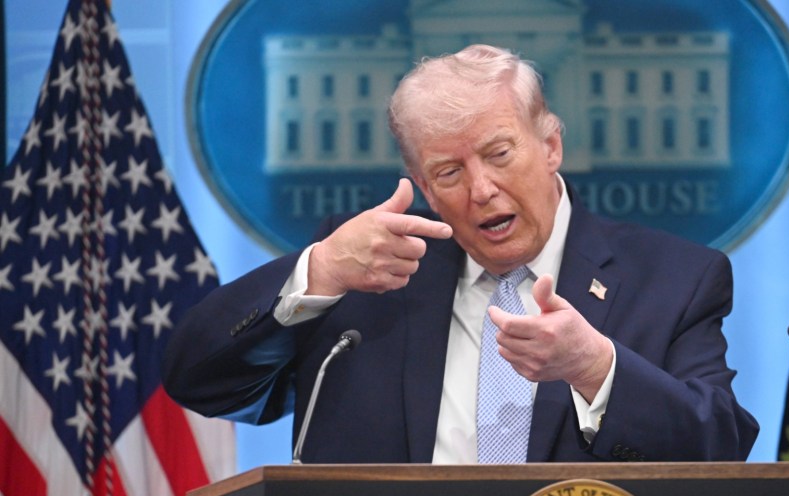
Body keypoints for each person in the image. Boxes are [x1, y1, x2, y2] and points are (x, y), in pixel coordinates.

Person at [163, 44, 758, 464]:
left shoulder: (675, 279)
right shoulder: (368, 271)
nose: (481, 190)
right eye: (449, 172)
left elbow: (721, 448)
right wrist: (318, 270)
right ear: (423, 186)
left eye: (499, 154)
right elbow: (199, 382)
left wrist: (595, 369)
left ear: (551, 145)